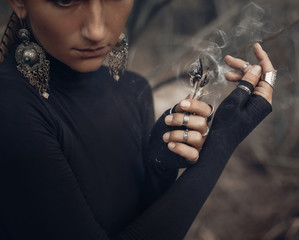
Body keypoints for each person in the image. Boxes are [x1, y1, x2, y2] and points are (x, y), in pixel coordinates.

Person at [0, 0, 276, 239]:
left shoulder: (134, 90)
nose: (96, 30)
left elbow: (140, 223)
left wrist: (158, 167)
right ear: (19, 2)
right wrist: (222, 143)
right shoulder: (9, 107)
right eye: (65, 0)